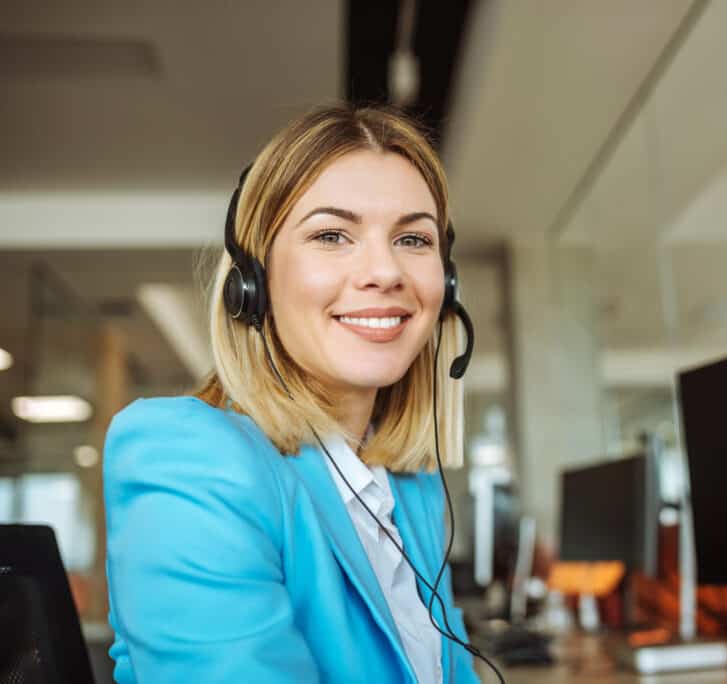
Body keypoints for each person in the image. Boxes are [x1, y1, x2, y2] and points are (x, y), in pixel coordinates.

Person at [103, 103, 484, 683]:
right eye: (332, 235)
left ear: (446, 283)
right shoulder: (187, 455)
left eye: (413, 238)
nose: (384, 271)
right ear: (253, 282)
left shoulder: (414, 491)